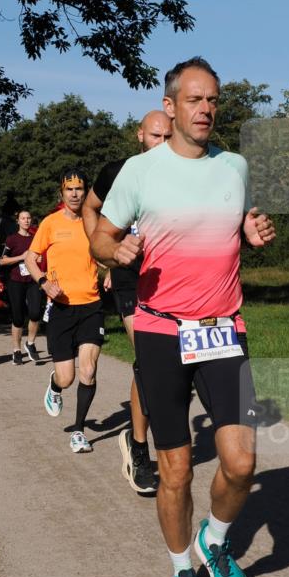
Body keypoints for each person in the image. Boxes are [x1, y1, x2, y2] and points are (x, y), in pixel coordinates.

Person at [90, 57, 276, 577]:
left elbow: (235, 218)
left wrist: (250, 229)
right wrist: (114, 250)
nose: (206, 110)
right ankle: (180, 572)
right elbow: (101, 235)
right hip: (160, 332)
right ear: (169, 107)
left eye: (213, 100)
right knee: (174, 471)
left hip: (222, 330)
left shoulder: (234, 166)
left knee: (240, 463)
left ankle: (213, 541)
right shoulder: (139, 170)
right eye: (195, 100)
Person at [82, 110, 172, 495]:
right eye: (155, 136)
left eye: (168, 137)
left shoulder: (183, 174)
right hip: (130, 278)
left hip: (170, 280)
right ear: (140, 135)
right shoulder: (117, 172)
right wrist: (105, 253)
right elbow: (90, 208)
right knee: (149, 359)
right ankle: (138, 447)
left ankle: (154, 437)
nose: (162, 144)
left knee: (166, 367)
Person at [24, 170, 104, 454]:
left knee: (89, 370)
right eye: (69, 189)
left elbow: (107, 253)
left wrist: (111, 271)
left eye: (79, 189)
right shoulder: (50, 223)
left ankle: (79, 431)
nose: (74, 194)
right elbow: (31, 258)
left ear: (86, 192)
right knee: (67, 377)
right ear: (62, 193)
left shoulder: (96, 222)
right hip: (61, 308)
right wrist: (43, 282)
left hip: (92, 305)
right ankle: (55, 386)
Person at [0, 209, 42, 364]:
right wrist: (21, 257)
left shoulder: (36, 239)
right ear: (18, 221)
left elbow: (42, 255)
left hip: (33, 280)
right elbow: (2, 261)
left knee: (35, 313)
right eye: (23, 218)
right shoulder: (11, 239)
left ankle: (30, 343)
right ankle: (16, 350)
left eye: (28, 218)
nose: (26, 221)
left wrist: (39, 259)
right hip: (15, 281)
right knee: (18, 317)